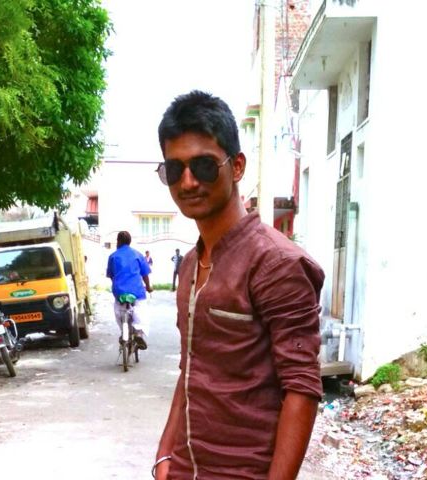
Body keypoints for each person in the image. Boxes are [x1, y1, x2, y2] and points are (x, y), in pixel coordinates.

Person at [152, 90, 325, 480]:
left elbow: (301, 387)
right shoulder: (191, 265)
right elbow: (190, 371)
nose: (188, 182)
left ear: (237, 166)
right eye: (175, 170)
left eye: (204, 166)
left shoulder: (276, 264)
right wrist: (164, 455)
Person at [106, 231, 153, 349]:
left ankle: (123, 332)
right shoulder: (138, 255)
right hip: (137, 291)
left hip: (119, 292)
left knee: (118, 311)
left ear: (118, 241)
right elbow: (145, 274)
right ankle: (139, 333)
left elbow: (111, 275)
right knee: (141, 310)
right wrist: (148, 287)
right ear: (129, 242)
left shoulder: (113, 256)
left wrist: (117, 285)